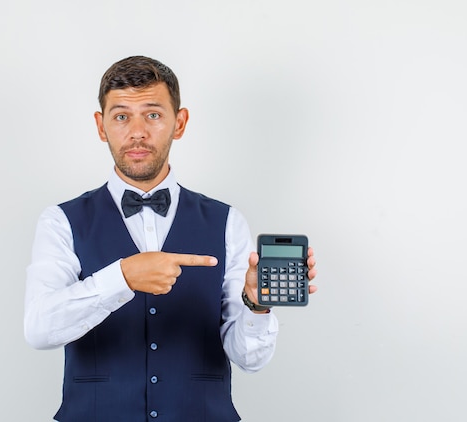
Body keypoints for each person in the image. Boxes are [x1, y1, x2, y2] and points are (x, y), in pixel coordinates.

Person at [24, 55, 317, 422]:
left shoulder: (227, 222)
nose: (137, 132)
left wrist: (256, 305)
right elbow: (39, 328)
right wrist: (123, 278)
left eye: (153, 114)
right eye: (121, 116)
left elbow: (250, 359)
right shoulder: (60, 221)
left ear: (179, 122)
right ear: (101, 126)